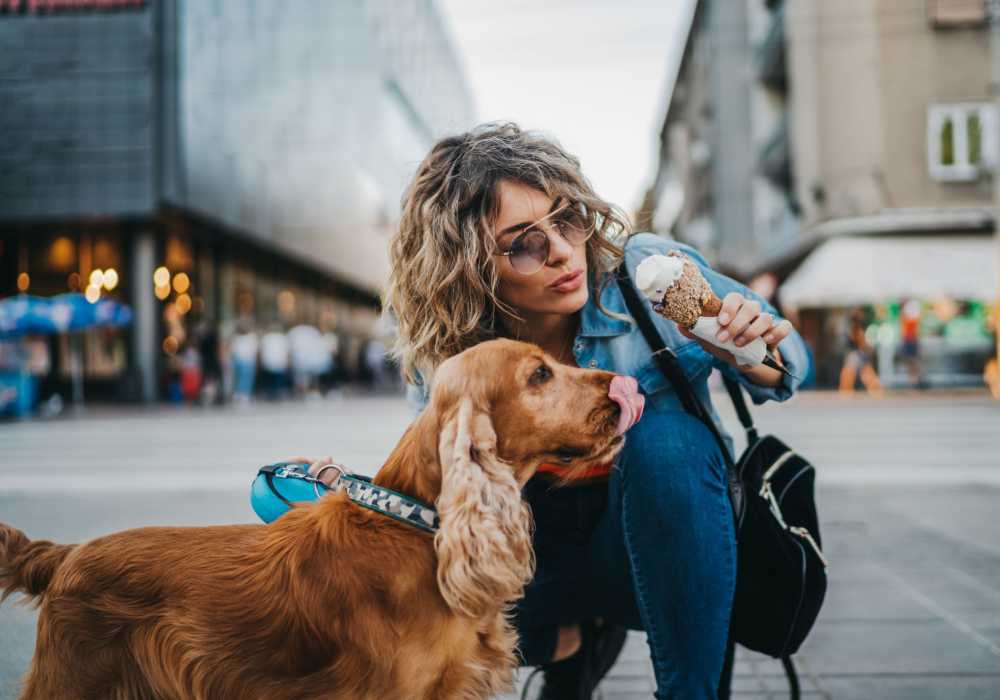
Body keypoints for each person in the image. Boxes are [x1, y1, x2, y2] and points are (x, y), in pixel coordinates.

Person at [263, 123, 811, 699]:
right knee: (450, 532)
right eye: (524, 242)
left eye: (567, 217)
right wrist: (342, 494)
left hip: (663, 546)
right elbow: (437, 485)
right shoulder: (454, 352)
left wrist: (752, 352)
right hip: (531, 566)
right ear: (470, 266)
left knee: (668, 438)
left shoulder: (644, 276)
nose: (561, 251)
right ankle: (568, 645)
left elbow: (791, 361)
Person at [838, 308, 883, 396]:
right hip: (856, 355)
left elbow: (860, 342)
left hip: (856, 355)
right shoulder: (856, 329)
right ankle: (875, 390)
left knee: (854, 374)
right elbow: (861, 342)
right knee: (853, 374)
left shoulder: (856, 329)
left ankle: (845, 391)